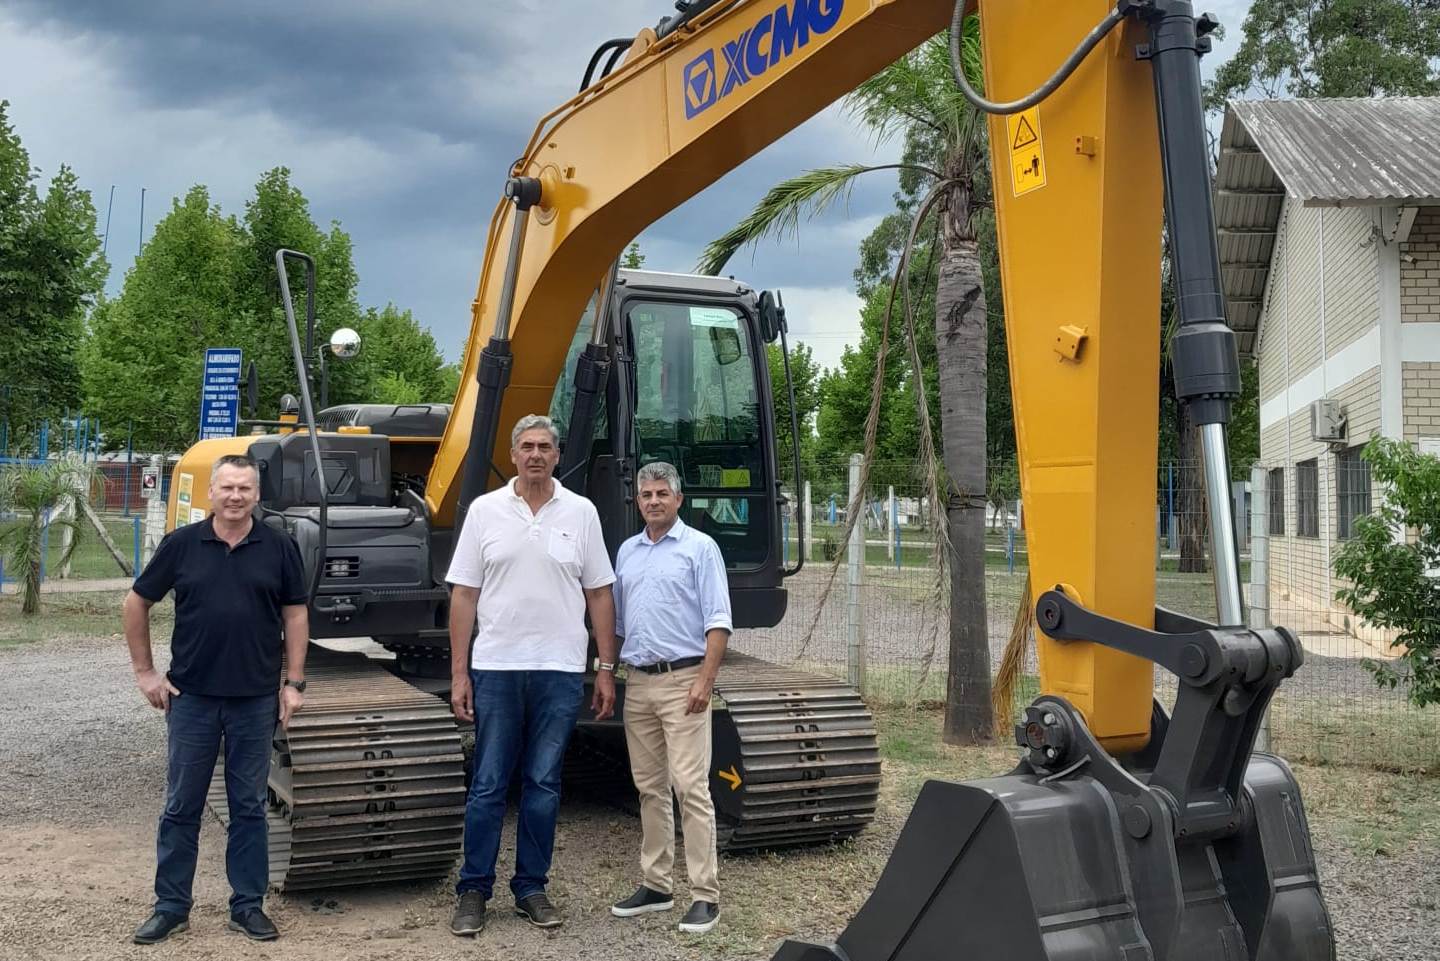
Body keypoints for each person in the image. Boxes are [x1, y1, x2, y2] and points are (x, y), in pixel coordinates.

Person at [124, 454, 309, 945]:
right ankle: (170, 907)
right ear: (211, 492)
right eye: (227, 488)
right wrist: (145, 673)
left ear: (256, 495)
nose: (235, 497)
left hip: (254, 701)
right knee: (181, 804)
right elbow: (136, 602)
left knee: (248, 807)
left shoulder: (280, 546)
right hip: (192, 699)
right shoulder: (182, 545)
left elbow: (294, 615)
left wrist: (293, 682)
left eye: (244, 489)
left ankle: (247, 906)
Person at [446, 414, 619, 937]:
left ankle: (531, 888)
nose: (537, 454)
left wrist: (605, 667)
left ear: (557, 454)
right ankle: (474, 889)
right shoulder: (485, 511)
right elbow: (464, 595)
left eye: (545, 446)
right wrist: (459, 673)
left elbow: (599, 593)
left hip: (560, 669)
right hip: (497, 667)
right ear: (514, 454)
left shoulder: (582, 513)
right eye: (527, 446)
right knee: (489, 784)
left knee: (543, 783)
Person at [609, 461, 731, 935]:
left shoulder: (700, 550)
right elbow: (618, 623)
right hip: (638, 682)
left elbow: (717, 620)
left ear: (679, 499)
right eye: (646, 494)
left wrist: (704, 680)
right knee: (649, 787)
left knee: (690, 787)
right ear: (637, 501)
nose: (654, 501)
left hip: (684, 681)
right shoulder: (628, 552)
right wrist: (607, 671)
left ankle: (705, 894)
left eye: (663, 493)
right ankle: (657, 884)